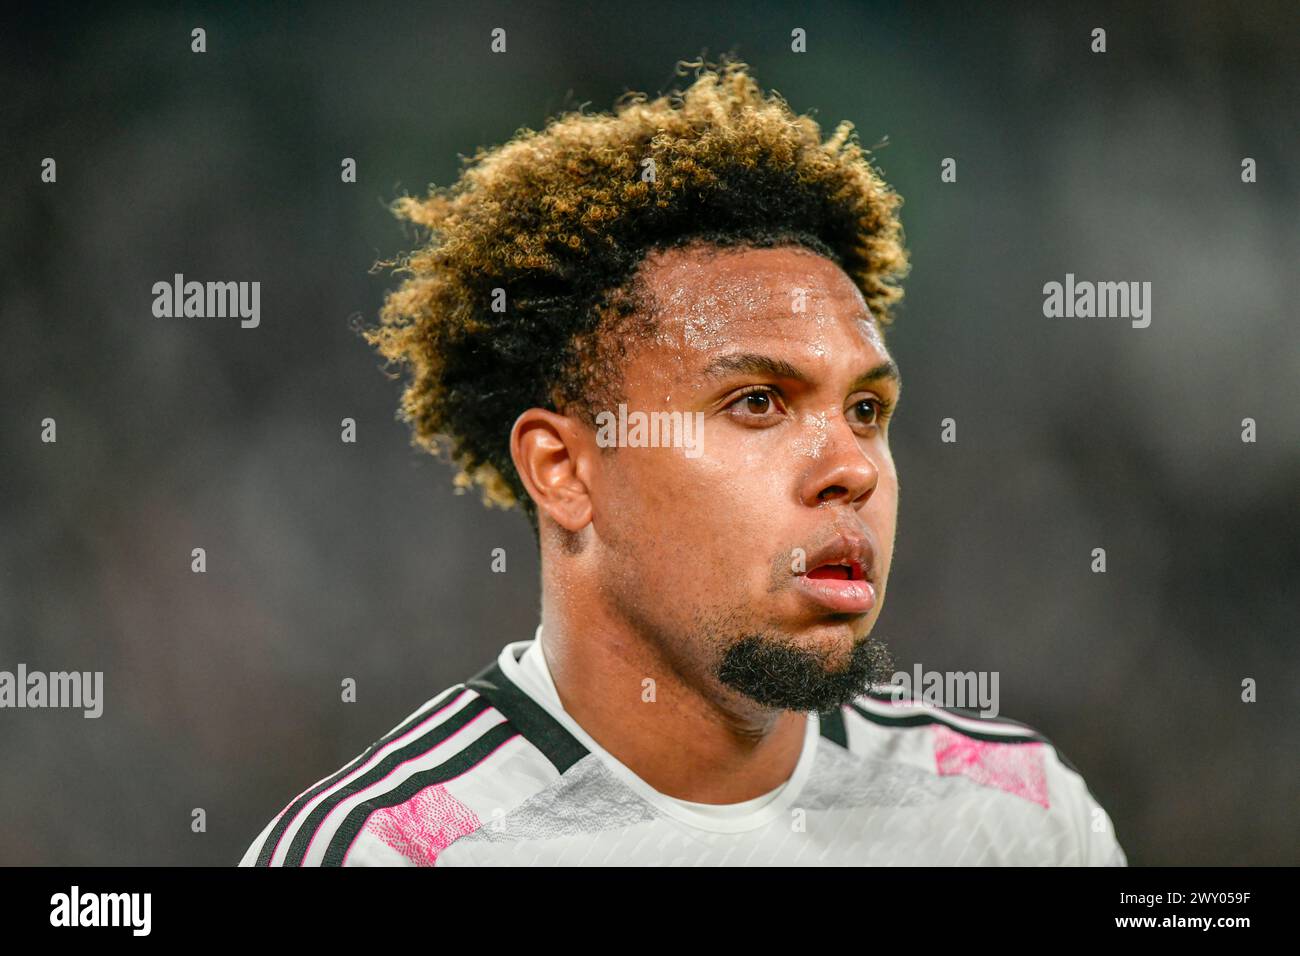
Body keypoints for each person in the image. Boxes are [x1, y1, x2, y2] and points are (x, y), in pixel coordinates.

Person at [240, 56, 1126, 866]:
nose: (850, 467)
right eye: (756, 403)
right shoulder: (391, 852)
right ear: (565, 470)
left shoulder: (1020, 820)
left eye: (866, 410)